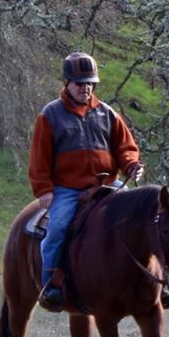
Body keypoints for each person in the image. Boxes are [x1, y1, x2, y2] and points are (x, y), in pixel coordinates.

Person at [29, 51, 143, 311]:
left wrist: (131, 164)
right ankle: (52, 285)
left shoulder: (107, 114)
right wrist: (44, 190)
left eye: (90, 83)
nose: (86, 88)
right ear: (67, 83)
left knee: (141, 218)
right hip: (68, 188)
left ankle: (145, 280)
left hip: (107, 185)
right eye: (80, 83)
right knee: (57, 229)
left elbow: (126, 147)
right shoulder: (50, 115)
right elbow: (39, 158)